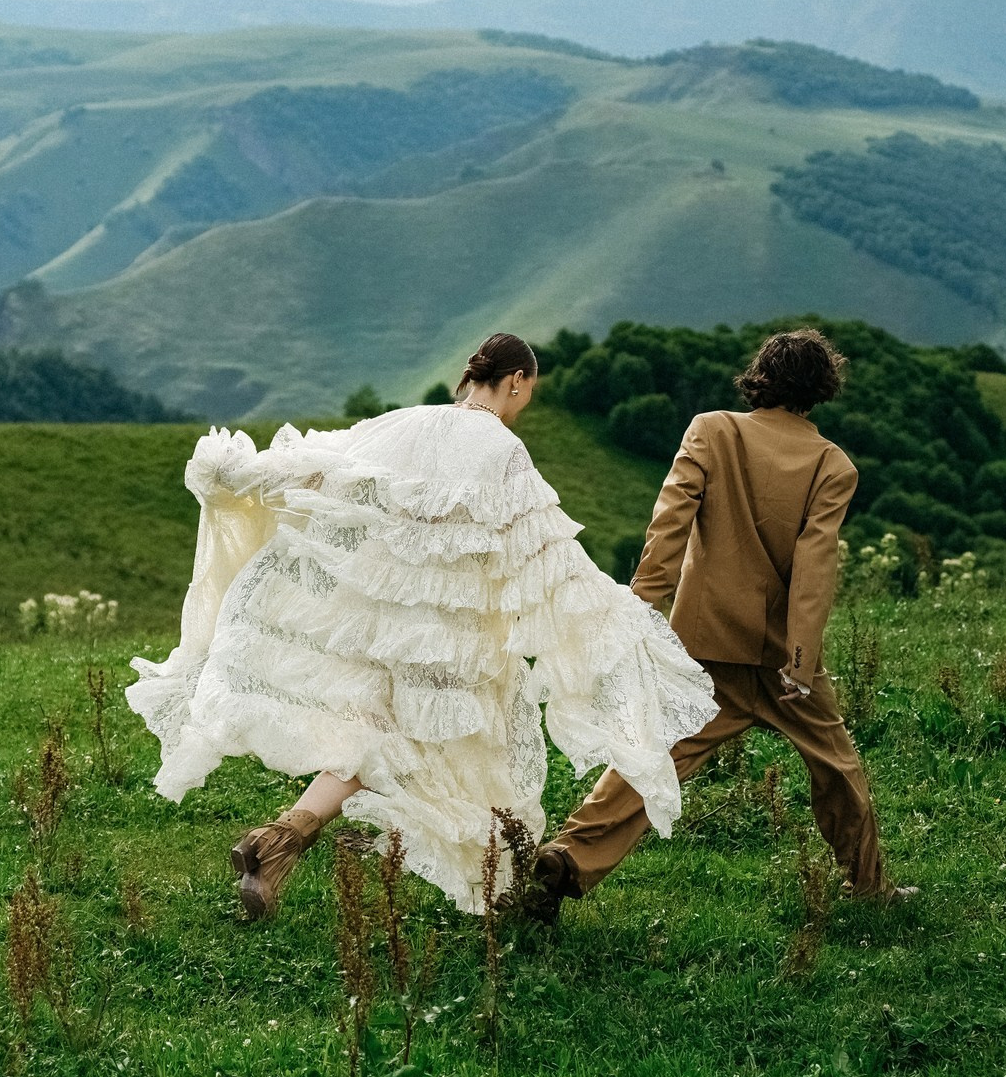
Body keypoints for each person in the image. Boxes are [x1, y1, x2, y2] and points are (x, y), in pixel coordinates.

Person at [128, 333, 718, 917]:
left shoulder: (403, 422)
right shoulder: (502, 451)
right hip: (448, 643)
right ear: (516, 382)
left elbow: (326, 471)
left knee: (380, 739)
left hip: (378, 623)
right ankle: (485, 876)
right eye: (527, 393)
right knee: (429, 752)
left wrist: (246, 476)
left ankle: (279, 842)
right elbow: (547, 552)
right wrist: (620, 618)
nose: (524, 405)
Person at [527, 327, 906, 919]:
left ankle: (568, 859)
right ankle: (870, 887)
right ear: (820, 390)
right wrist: (801, 661)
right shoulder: (833, 465)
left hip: (704, 646)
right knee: (838, 767)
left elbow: (668, 525)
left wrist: (643, 612)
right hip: (784, 661)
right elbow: (814, 568)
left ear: (761, 376)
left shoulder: (711, 430)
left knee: (653, 754)